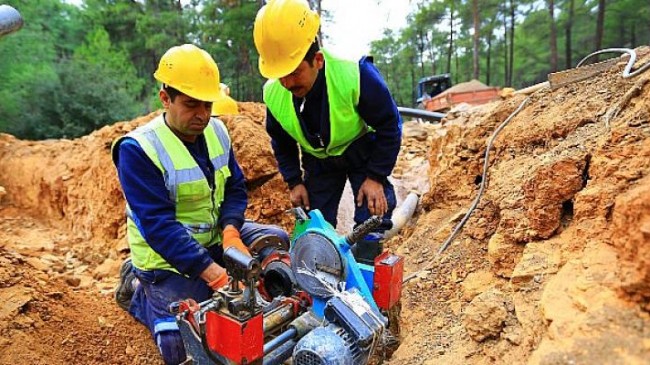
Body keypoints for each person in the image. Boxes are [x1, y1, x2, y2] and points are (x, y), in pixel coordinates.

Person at [112, 44, 288, 365]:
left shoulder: (216, 130)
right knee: (184, 340)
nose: (203, 115)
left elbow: (234, 186)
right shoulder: (138, 150)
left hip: (213, 240)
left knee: (276, 241)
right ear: (165, 98)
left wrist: (232, 232)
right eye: (192, 105)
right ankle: (138, 289)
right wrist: (216, 276)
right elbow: (159, 228)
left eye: (207, 105)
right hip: (166, 260)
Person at [253, 0, 402, 264]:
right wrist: (294, 181)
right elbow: (282, 141)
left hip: (360, 149)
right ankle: (318, 275)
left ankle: (365, 270)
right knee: (314, 224)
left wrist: (376, 176)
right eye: (281, 75)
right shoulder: (274, 93)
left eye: (295, 72)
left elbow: (389, 124)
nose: (287, 83)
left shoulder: (355, 73)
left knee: (373, 215)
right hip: (318, 160)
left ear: (317, 60)